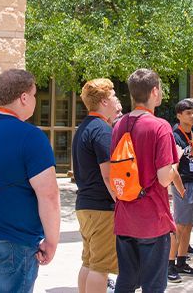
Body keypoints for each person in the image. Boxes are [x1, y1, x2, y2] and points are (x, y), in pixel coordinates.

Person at [0, 68, 61, 293]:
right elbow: (49, 194)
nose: (35, 100)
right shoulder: (31, 136)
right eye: (34, 95)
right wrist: (52, 241)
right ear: (24, 98)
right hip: (13, 241)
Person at [112, 68, 185, 293]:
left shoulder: (119, 124)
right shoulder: (160, 126)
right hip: (152, 218)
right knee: (153, 286)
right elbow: (164, 179)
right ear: (155, 91)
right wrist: (177, 158)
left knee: (126, 281)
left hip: (124, 217)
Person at [72, 78, 122, 293]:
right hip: (101, 208)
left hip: (85, 206)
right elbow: (109, 175)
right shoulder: (102, 130)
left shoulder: (84, 127)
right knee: (101, 268)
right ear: (103, 101)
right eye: (112, 96)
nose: (116, 99)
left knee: (89, 263)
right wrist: (121, 202)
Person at [167, 98, 193, 283]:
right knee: (179, 225)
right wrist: (180, 189)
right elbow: (172, 165)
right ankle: (169, 264)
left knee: (189, 224)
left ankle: (182, 262)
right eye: (188, 113)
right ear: (179, 115)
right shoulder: (174, 136)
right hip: (182, 184)